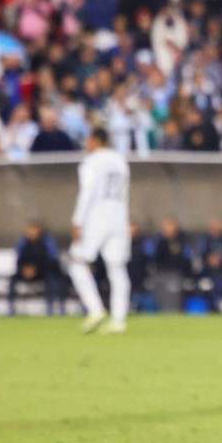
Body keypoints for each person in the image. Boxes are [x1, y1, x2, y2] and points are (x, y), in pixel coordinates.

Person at [68, 128, 132, 334]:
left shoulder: (91, 162)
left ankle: (95, 309)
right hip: (119, 219)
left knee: (77, 263)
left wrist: (77, 221)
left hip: (96, 219)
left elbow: (87, 192)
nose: (86, 144)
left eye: (88, 139)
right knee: (117, 268)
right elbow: (125, 194)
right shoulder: (121, 161)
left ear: (95, 141)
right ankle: (119, 320)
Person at [8, 222, 65, 316]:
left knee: (52, 280)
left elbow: (50, 261)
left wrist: (36, 269)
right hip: (25, 272)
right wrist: (24, 269)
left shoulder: (46, 243)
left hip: (42, 273)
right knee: (13, 280)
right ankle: (11, 307)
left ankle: (50, 308)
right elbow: (19, 260)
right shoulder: (24, 244)